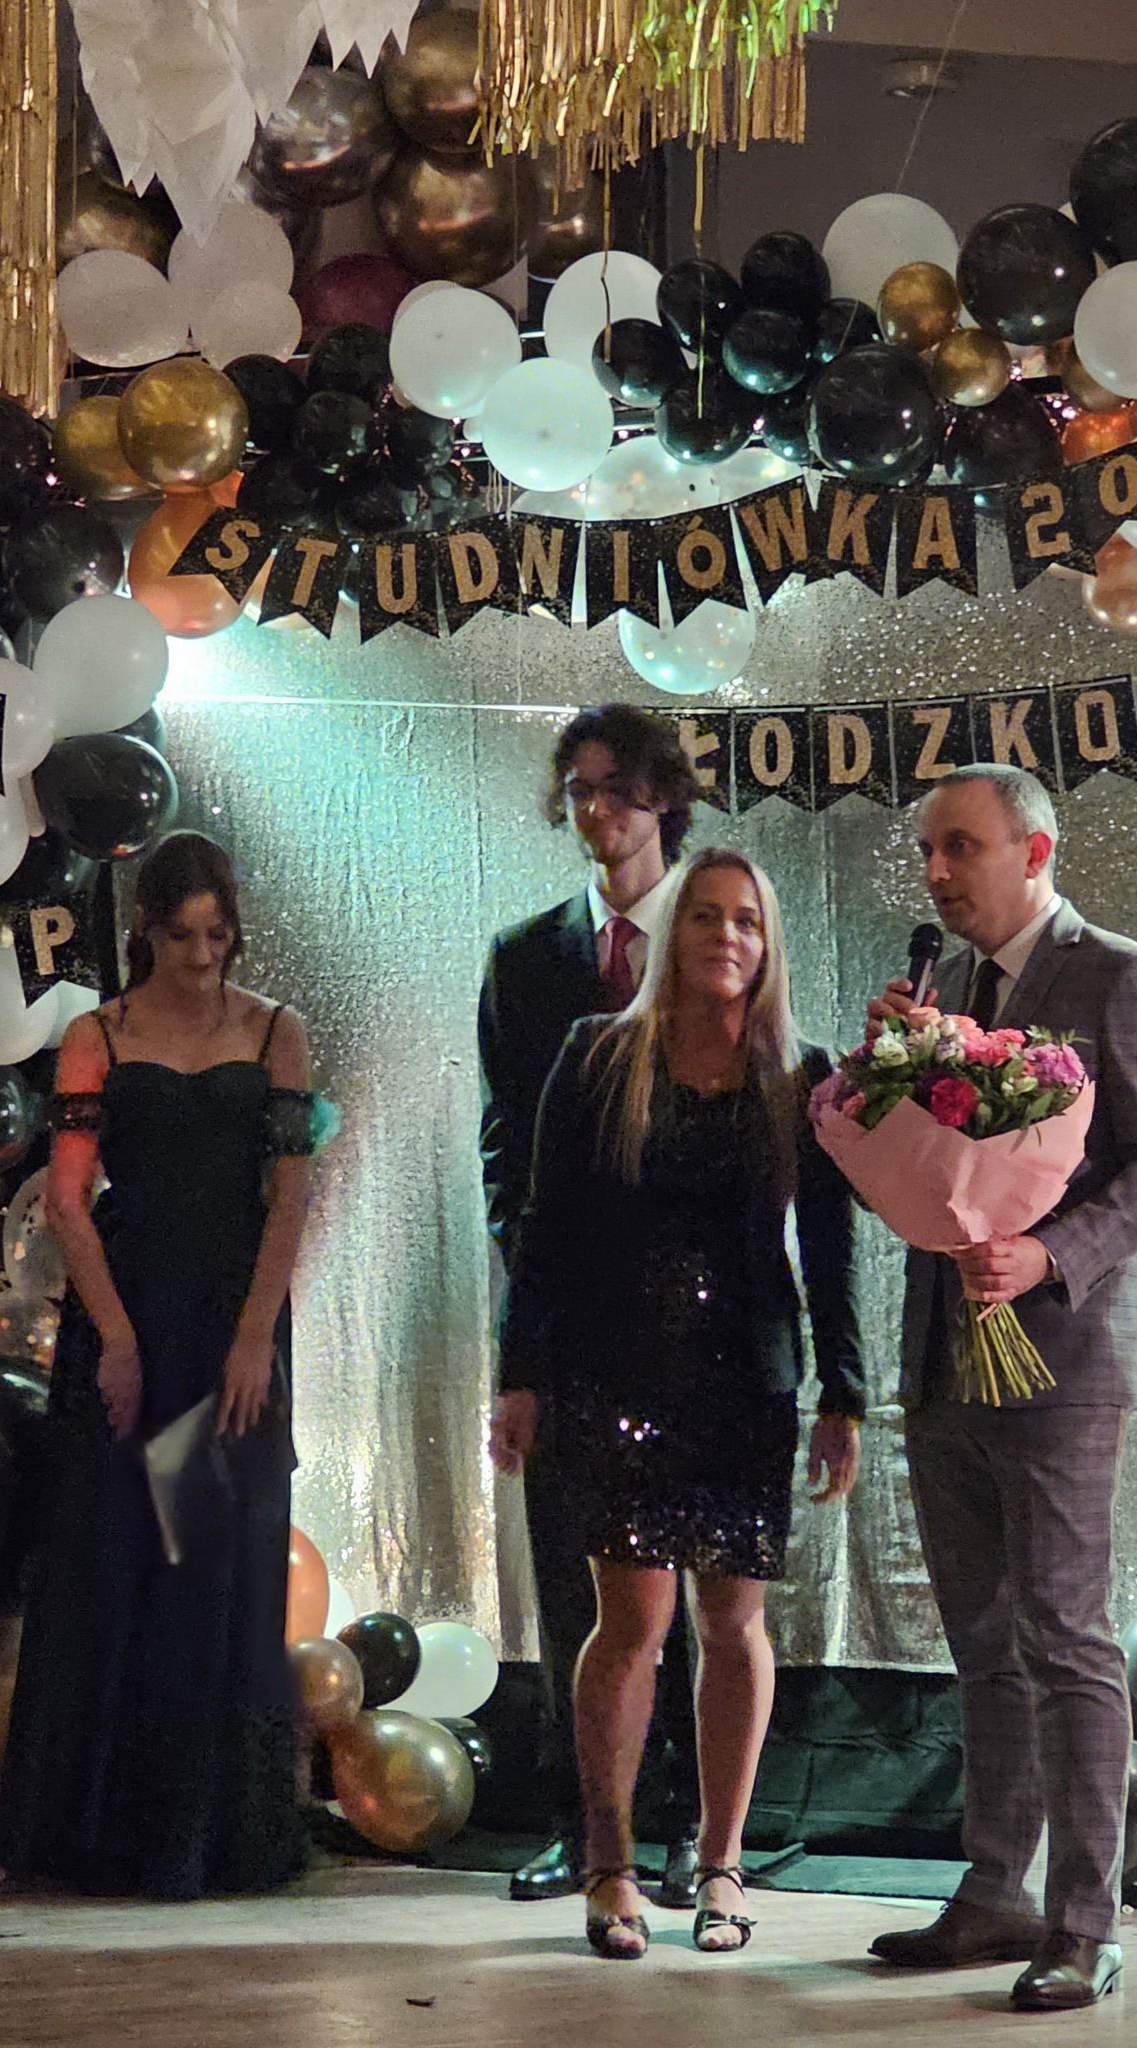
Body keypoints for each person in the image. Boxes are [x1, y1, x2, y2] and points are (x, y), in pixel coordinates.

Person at [859, 766, 1137, 2012]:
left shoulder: (1117, 975)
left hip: (1060, 1362)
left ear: (1036, 849)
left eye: (959, 846)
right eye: (927, 850)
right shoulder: (942, 990)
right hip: (946, 1355)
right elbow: (925, 1173)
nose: (936, 871)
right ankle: (996, 1886)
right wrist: (885, 1078)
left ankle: (1085, 1919)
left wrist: (1049, 1253)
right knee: (981, 1637)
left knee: (1064, 1633)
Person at [491, 848, 865, 1959]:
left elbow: (832, 1249)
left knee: (733, 1625)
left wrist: (845, 1393)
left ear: (768, 941)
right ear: (672, 932)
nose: (726, 935)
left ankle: (721, 1862)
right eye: (705, 915)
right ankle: (609, 1866)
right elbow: (545, 1229)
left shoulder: (803, 1073)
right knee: (631, 1624)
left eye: (746, 919)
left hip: (748, 1381)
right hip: (619, 1377)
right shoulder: (598, 1053)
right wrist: (519, 1378)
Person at [0, 832, 326, 1898]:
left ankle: (217, 1833)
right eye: (183, 935)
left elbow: (292, 1196)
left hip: (231, 1315)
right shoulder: (97, 1034)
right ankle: (104, 1832)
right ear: (146, 930)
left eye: (218, 934)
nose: (203, 954)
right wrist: (118, 1339)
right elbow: (67, 1200)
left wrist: (255, 1335)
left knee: (217, 1562)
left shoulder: (275, 1030)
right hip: (127, 1308)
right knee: (116, 1555)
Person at [479, 705, 705, 1907]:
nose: (596, 808)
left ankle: (687, 1822)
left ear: (664, 796)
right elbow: (503, 1145)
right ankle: (586, 1822)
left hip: (697, 1315)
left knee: (688, 1574)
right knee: (574, 1573)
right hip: (565, 1322)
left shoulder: (720, 930)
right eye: (578, 788)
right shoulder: (525, 956)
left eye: (617, 786)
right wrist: (532, 1277)